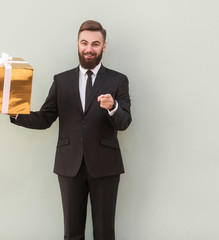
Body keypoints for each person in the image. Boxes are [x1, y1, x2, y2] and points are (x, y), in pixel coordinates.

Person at [10, 20, 131, 240]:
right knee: (72, 233)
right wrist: (14, 112)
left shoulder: (118, 80)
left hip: (105, 165)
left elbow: (124, 123)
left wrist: (113, 107)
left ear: (104, 47)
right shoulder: (61, 80)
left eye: (95, 44)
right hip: (69, 165)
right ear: (77, 44)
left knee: (104, 232)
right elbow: (45, 117)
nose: (89, 49)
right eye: (84, 43)